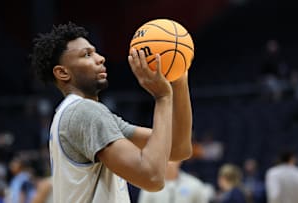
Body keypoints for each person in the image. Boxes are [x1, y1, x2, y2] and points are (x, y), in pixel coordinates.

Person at [30, 22, 193, 203]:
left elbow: (178, 148)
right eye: (87, 55)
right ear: (62, 72)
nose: (100, 58)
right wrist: (162, 98)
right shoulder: (85, 112)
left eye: (95, 51)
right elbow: (152, 177)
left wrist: (179, 77)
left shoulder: (77, 114)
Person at [138, 161, 214, 203]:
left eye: (172, 158)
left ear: (180, 160)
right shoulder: (150, 186)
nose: (168, 162)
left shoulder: (195, 185)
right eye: (165, 158)